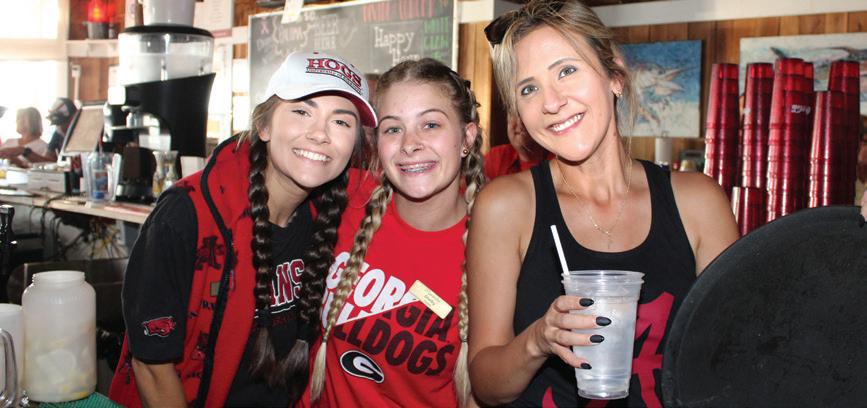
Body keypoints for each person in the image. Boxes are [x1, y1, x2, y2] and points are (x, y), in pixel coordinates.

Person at [466, 1, 739, 407]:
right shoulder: (506, 206)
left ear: (615, 76)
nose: (551, 102)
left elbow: (734, 356)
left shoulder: (698, 202)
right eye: (528, 88)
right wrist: (537, 340)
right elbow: (487, 385)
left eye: (566, 71)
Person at [108, 50, 377, 407]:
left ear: (354, 146)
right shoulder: (187, 214)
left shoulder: (334, 213)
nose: (319, 134)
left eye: (341, 122)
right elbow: (152, 367)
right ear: (264, 126)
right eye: (301, 111)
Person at [303, 58, 485, 407]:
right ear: (376, 141)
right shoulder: (347, 197)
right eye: (392, 129)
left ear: (467, 137)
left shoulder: (490, 244)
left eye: (430, 124)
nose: (409, 144)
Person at [484, 113, 550, 180]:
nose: (519, 123)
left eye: (523, 113)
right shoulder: (496, 157)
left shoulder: (555, 160)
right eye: (513, 114)